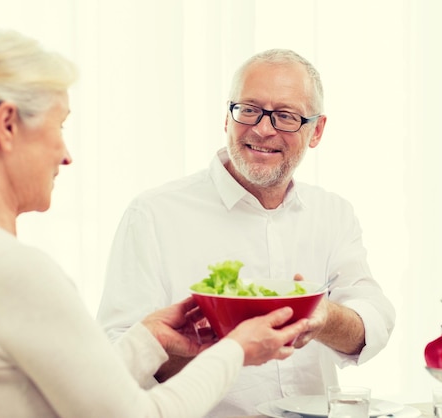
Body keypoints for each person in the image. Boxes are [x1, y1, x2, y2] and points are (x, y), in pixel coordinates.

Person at [0, 30, 311, 418]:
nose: (65, 154)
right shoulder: (9, 270)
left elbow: (77, 396)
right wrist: (237, 349)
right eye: (59, 125)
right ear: (8, 125)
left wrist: (150, 341)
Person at [96, 49, 397, 417]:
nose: (263, 128)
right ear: (227, 117)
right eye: (249, 109)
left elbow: (374, 321)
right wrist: (221, 346)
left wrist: (321, 316)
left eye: (285, 116)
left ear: (316, 131)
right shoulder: (153, 213)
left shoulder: (333, 213)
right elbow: (118, 357)